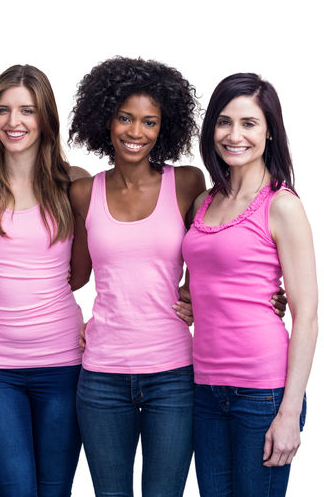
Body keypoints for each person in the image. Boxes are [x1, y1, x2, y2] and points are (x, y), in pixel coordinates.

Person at [68, 56, 204, 497]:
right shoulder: (85, 192)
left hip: (173, 375)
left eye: (149, 122)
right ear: (105, 120)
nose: (135, 132)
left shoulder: (186, 183)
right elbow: (74, 275)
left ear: (164, 128)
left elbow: (218, 251)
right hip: (102, 374)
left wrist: (258, 295)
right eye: (125, 118)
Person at [0, 64, 89, 496]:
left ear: (45, 118)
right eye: (3, 110)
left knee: (54, 491)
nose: (14, 122)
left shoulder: (76, 185)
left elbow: (87, 271)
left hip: (63, 363)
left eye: (27, 111)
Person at [182, 73, 317, 497]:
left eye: (249, 123)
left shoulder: (282, 205)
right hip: (204, 387)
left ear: (270, 132)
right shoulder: (203, 201)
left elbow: (308, 316)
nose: (234, 134)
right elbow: (198, 283)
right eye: (224, 122)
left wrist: (289, 411)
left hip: (262, 392)